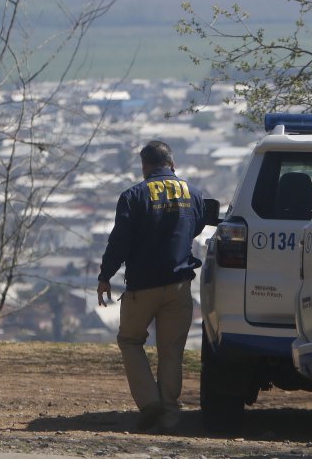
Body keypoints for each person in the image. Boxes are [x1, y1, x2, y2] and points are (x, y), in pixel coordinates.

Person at [97, 140, 205, 433]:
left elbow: (119, 241)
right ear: (172, 164)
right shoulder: (193, 193)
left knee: (130, 341)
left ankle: (149, 402)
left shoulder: (134, 196)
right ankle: (169, 415)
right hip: (179, 284)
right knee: (171, 350)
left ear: (145, 166)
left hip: (142, 286)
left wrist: (105, 276)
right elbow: (196, 226)